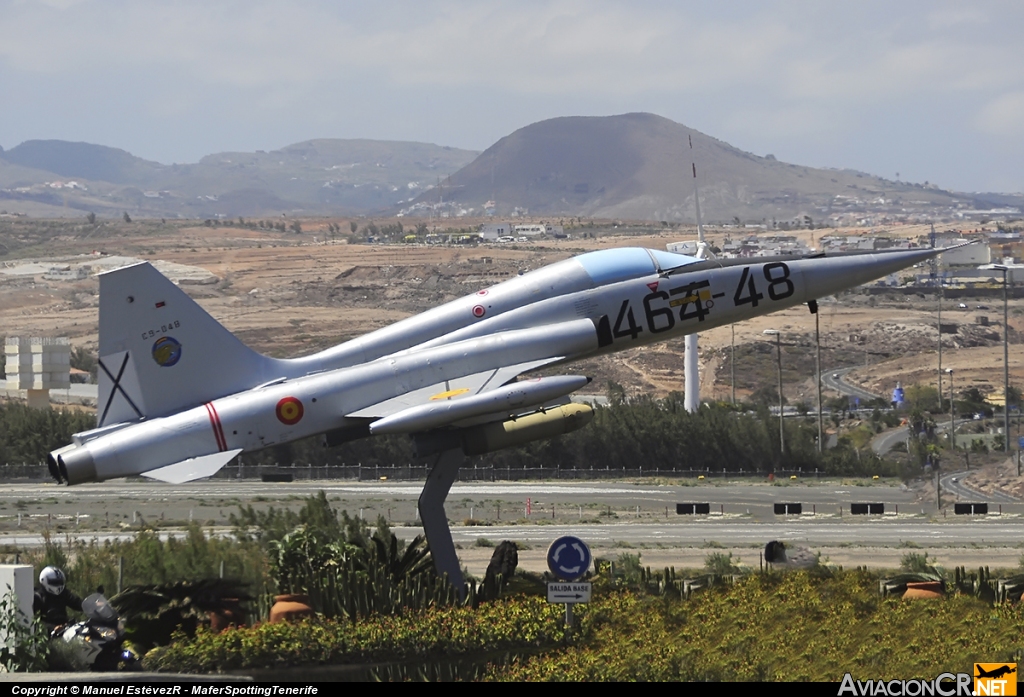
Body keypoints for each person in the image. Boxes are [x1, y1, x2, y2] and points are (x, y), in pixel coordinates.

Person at [33, 566, 83, 632]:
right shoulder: (37, 597)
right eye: (55, 582)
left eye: (60, 582)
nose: (58, 585)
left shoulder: (63, 593)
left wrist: (91, 605)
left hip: (65, 630)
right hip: (47, 635)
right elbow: (34, 621)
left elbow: (76, 602)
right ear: (44, 580)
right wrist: (52, 628)